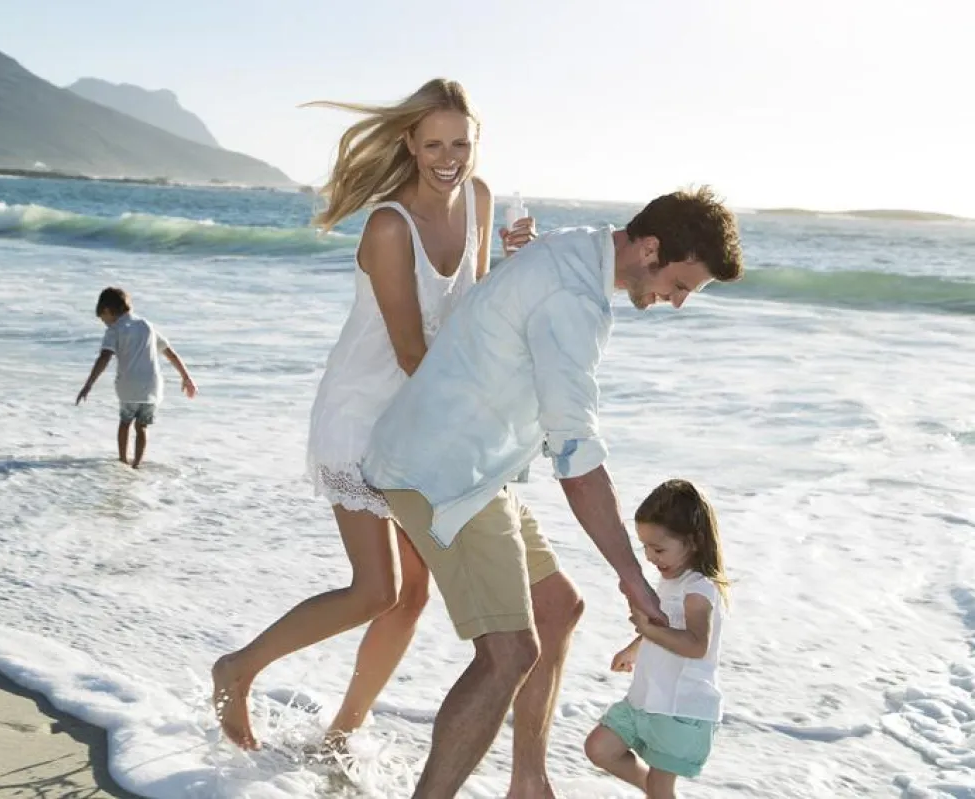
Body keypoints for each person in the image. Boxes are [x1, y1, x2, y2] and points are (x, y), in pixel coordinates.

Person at [360, 186, 744, 797]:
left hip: (476, 467)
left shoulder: (581, 249)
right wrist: (632, 576)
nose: (674, 303)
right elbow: (577, 459)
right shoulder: (574, 300)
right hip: (441, 474)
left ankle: (529, 786)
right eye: (679, 285)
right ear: (649, 248)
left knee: (558, 607)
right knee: (508, 654)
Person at [212, 78, 536, 752]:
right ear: (410, 145)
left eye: (461, 143)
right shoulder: (390, 226)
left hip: (425, 420)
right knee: (375, 590)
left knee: (414, 595)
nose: (449, 157)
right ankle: (237, 668)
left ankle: (341, 733)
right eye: (434, 143)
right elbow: (414, 351)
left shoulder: (479, 199)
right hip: (364, 419)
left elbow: (469, 315)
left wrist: (516, 264)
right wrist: (481, 423)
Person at [584, 479, 729, 799]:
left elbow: (695, 645)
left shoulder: (698, 590)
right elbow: (666, 626)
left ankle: (656, 791)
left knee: (662, 788)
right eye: (645, 547)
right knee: (599, 747)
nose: (650, 557)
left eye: (658, 548)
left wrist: (647, 631)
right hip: (648, 699)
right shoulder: (671, 580)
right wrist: (636, 646)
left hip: (680, 707)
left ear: (692, 542)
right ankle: (649, 787)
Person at [76, 287, 197, 468]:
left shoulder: (115, 330)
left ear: (108, 311)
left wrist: (89, 384)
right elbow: (169, 353)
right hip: (152, 387)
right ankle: (137, 464)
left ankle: (123, 461)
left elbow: (104, 357)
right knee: (142, 427)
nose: (105, 323)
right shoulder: (146, 325)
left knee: (125, 423)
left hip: (128, 386)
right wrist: (186, 377)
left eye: (103, 319)